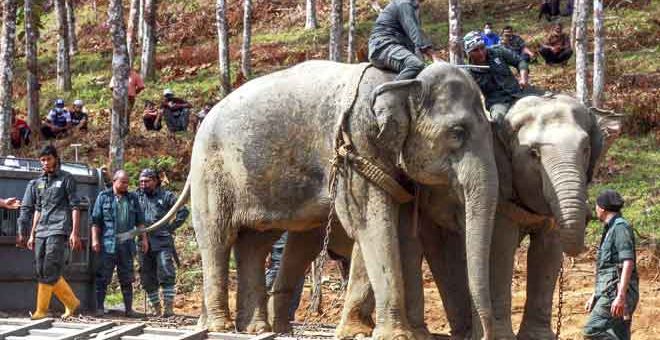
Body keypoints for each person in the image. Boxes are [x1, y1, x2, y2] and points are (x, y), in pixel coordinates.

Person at [26, 145, 82, 320]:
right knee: (41, 270)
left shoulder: (67, 179)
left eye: (48, 159)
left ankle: (41, 310)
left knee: (50, 267)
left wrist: (74, 232)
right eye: (42, 160)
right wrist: (32, 233)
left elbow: (75, 206)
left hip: (59, 228)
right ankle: (72, 302)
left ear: (56, 159)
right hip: (42, 229)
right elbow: (38, 209)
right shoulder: (39, 182)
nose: (45, 163)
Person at [91, 170, 148, 317]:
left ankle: (129, 310)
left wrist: (144, 239)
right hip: (108, 243)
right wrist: (95, 240)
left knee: (127, 277)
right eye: (123, 182)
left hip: (127, 244)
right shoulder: (103, 197)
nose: (125, 185)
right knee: (103, 276)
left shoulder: (132, 198)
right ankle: (99, 308)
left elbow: (141, 222)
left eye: (127, 182)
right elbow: (95, 222)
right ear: (115, 181)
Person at [583, 190, 639, 340]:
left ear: (601, 208)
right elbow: (608, 268)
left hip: (616, 294)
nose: (595, 210)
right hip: (609, 290)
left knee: (592, 330)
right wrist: (595, 294)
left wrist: (621, 297)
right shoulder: (610, 228)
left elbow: (628, 262)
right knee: (621, 335)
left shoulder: (620, 227)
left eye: (596, 207)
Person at [136, 169, 189, 317]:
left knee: (166, 271)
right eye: (141, 182)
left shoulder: (166, 196)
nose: (143, 184)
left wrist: (171, 227)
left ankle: (168, 309)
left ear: (155, 181)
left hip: (162, 240)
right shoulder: (136, 196)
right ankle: (156, 308)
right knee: (146, 276)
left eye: (146, 181)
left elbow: (183, 210)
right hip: (142, 241)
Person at [463, 31, 530, 124]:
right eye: (475, 50)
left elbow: (520, 62)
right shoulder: (468, 72)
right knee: (499, 123)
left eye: (482, 48)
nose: (481, 53)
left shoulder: (498, 51)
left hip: (518, 92)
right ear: (468, 53)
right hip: (498, 103)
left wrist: (523, 79)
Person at [368, 0, 439, 80]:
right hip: (383, 46)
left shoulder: (412, 7)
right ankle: (392, 92)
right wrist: (434, 57)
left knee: (422, 70)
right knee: (415, 65)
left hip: (392, 46)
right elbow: (414, 32)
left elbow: (414, 39)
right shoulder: (404, 3)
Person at [265, 232, 305, 321]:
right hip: (276, 257)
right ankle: (264, 314)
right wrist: (266, 253)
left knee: (295, 292)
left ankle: (288, 318)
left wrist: (308, 260)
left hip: (298, 257)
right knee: (267, 288)